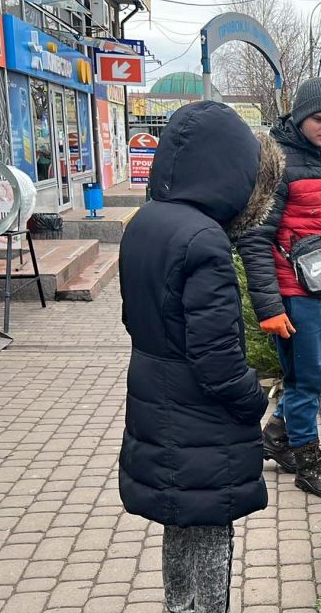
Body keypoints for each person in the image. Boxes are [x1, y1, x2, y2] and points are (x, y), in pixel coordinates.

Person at [118, 101, 284, 613]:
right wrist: (251, 399)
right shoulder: (204, 240)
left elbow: (135, 315)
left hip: (154, 393)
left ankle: (178, 607)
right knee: (211, 530)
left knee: (179, 522)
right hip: (199, 416)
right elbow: (216, 356)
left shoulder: (145, 223)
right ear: (229, 168)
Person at [237, 77, 321, 501]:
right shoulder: (278, 165)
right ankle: (309, 464)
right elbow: (255, 237)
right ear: (301, 117)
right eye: (320, 119)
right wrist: (269, 307)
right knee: (306, 379)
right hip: (293, 294)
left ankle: (277, 435)